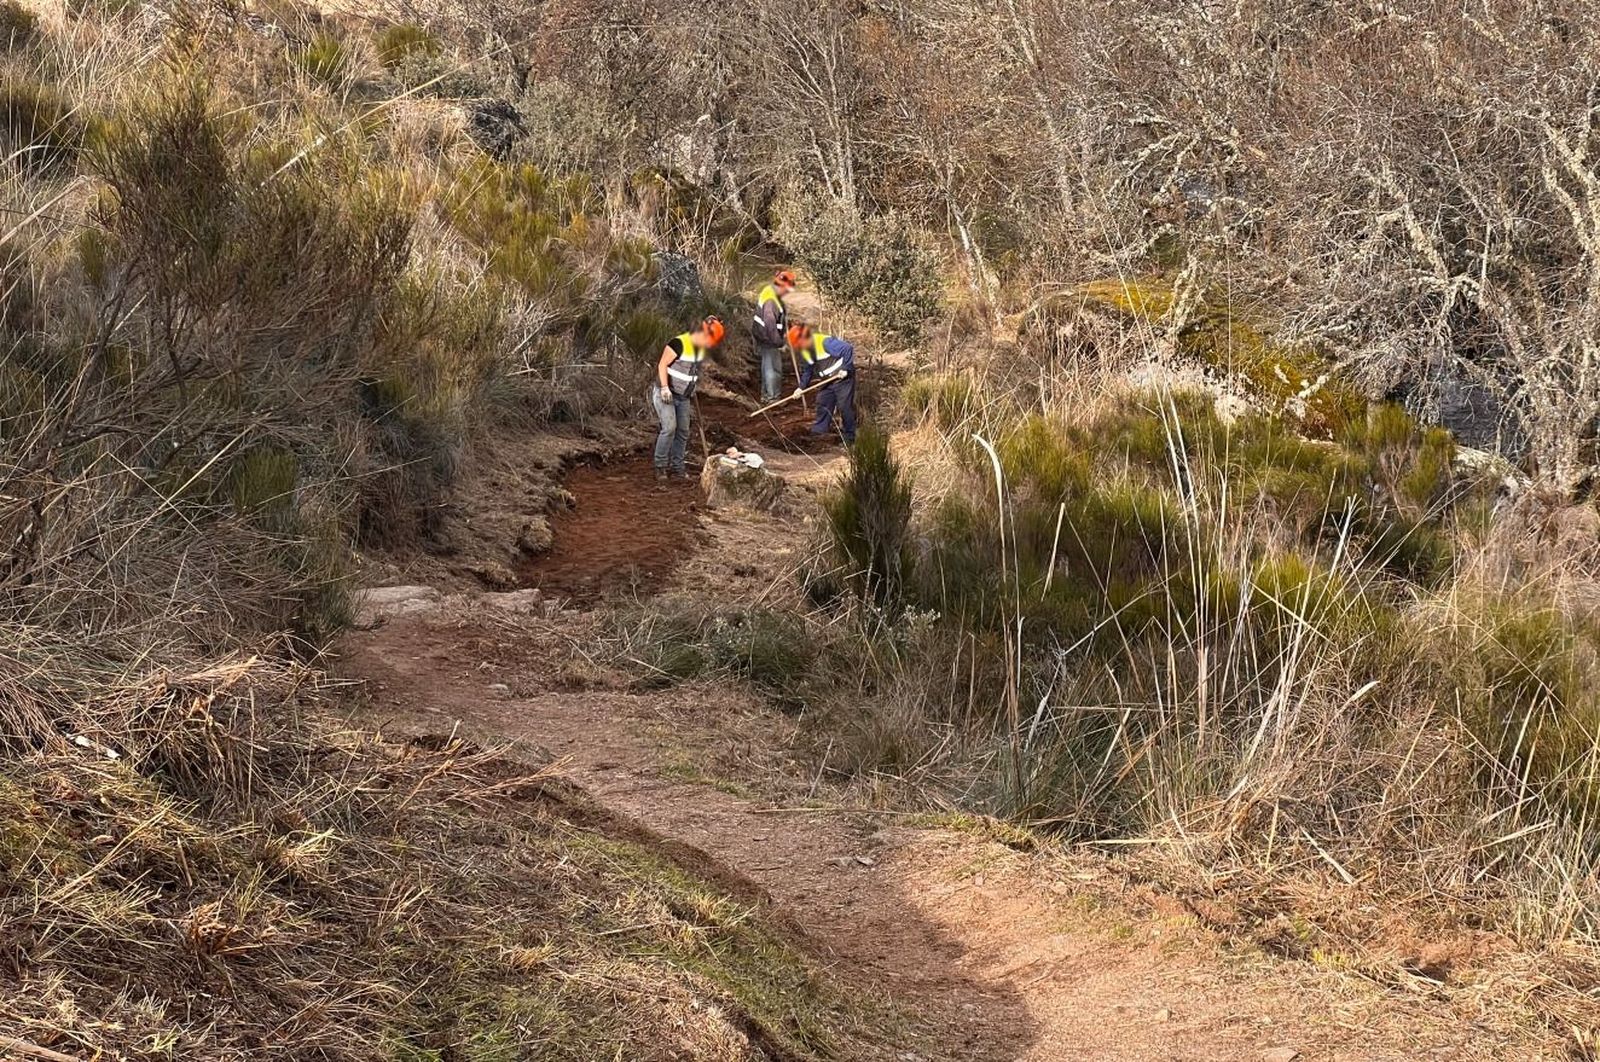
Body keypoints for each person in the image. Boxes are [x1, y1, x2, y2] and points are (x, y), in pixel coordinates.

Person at [652, 315, 725, 485]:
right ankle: (660, 466)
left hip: (684, 396)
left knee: (683, 431)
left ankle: (678, 468)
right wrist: (664, 387)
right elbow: (662, 365)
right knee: (669, 428)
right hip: (666, 393)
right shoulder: (679, 343)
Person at [786, 322, 856, 444]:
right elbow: (808, 370)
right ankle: (819, 430)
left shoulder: (824, 342)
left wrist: (846, 369)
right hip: (827, 380)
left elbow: (847, 349)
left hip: (842, 378)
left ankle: (849, 437)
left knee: (845, 407)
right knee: (823, 401)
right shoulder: (805, 351)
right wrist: (801, 387)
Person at [751, 269, 796, 402]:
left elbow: (777, 317)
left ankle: (766, 396)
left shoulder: (771, 292)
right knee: (773, 368)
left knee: (767, 366)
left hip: (764, 335)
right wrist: (779, 343)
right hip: (768, 337)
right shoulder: (771, 300)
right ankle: (773, 398)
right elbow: (770, 324)